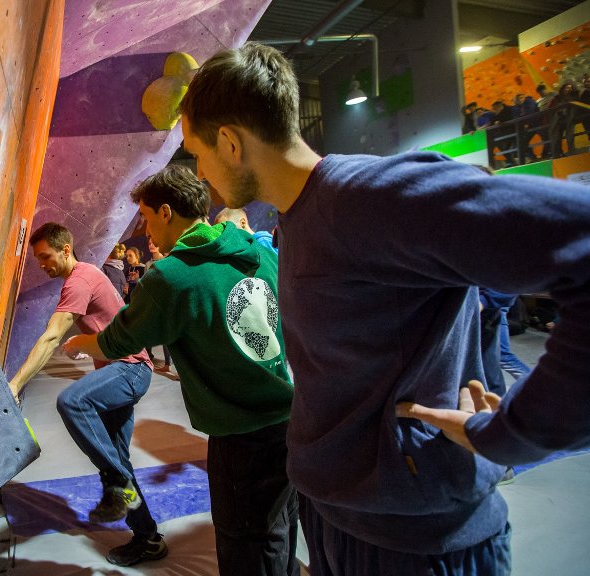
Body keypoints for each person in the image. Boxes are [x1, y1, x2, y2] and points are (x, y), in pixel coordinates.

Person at [179, 42, 590, 575]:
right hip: (339, 521)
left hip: (416, 540)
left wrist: (515, 433)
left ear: (230, 143)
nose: (199, 172)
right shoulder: (298, 220)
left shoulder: (367, 199)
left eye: (196, 152)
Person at [63, 165, 299, 576]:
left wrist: (78, 344)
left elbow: (118, 340)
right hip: (292, 422)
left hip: (240, 436)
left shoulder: (171, 277)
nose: (147, 230)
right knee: (280, 532)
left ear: (167, 212)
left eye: (149, 218)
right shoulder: (257, 251)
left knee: (248, 547)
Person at [7, 223, 164, 566]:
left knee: (72, 401)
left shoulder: (79, 278)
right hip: (120, 370)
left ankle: (115, 481)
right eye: (37, 259)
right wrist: (86, 343)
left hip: (131, 369)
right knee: (119, 460)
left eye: (45, 256)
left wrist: (15, 384)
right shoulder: (84, 276)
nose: (42, 264)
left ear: (66, 249)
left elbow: (50, 337)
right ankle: (148, 538)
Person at [143, 239, 174, 374]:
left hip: (166, 302)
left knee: (167, 335)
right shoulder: (148, 264)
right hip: (152, 301)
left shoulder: (167, 260)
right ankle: (148, 356)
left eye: (154, 243)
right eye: (149, 243)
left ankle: (169, 363)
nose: (151, 245)